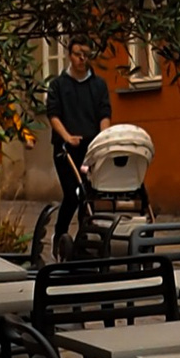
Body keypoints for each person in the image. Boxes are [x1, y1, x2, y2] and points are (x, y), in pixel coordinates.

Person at [44, 47, 114, 242]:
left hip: (91, 149)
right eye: (78, 54)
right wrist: (67, 137)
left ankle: (85, 238)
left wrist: (104, 138)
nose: (82, 59)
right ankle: (60, 235)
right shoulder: (58, 85)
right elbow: (53, 114)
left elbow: (104, 114)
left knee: (89, 196)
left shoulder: (98, 85)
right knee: (73, 193)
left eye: (86, 55)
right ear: (70, 55)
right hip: (66, 150)